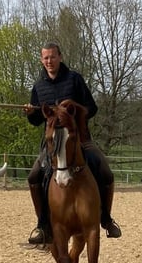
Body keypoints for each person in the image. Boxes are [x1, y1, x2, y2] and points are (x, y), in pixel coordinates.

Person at [23, 41, 122, 244]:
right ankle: (42, 225)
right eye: (45, 58)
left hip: (79, 140)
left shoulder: (74, 79)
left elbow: (91, 108)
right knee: (34, 176)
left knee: (105, 172)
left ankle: (106, 219)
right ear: (42, 60)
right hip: (51, 143)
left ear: (60, 57)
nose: (49, 61)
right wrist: (30, 113)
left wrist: (72, 108)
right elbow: (36, 121)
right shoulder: (38, 86)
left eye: (52, 57)